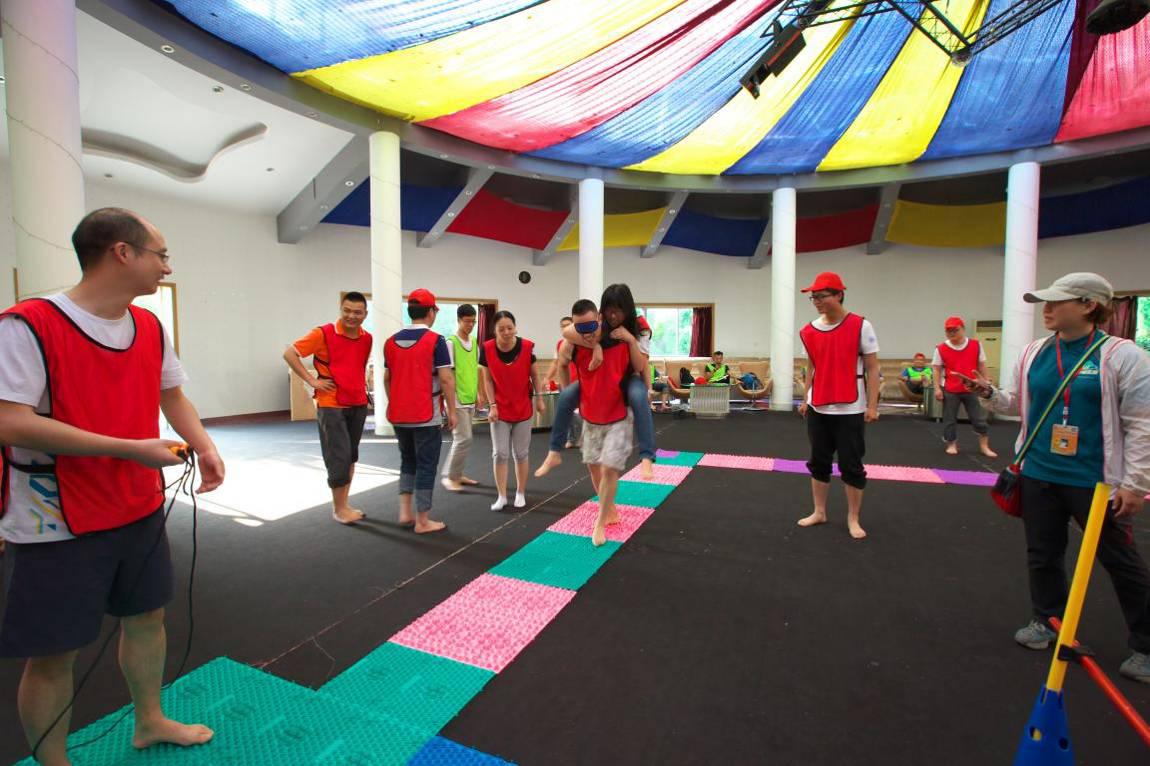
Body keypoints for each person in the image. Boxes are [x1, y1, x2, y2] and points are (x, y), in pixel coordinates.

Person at [0, 208, 226, 764]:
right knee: (54, 652)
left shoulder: (148, 326)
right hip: (56, 518)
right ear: (122, 253)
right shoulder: (27, 325)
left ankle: (149, 720)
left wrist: (203, 444)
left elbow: (171, 395)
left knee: (147, 617)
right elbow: (10, 421)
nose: (166, 266)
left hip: (136, 503)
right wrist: (128, 448)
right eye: (161, 254)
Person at [962, 272, 1150, 683]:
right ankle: (1047, 620)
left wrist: (1136, 483)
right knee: (1042, 554)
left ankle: (1146, 645)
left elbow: (1142, 423)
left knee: (1119, 560)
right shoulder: (1034, 352)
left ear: (1088, 305)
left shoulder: (1123, 356)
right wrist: (989, 393)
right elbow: (1016, 403)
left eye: (1055, 302)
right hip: (1039, 473)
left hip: (1098, 482)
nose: (1045, 309)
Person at [536, 285, 656, 480]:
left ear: (627, 309)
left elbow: (641, 365)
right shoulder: (600, 323)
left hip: (629, 377)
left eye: (618, 310)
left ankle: (647, 457)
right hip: (602, 379)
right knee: (566, 396)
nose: (613, 315)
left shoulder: (640, 327)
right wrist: (596, 346)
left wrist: (630, 340)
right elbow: (568, 332)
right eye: (609, 310)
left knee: (638, 397)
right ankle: (554, 451)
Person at [796, 271, 880, 540]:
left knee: (851, 464)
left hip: (851, 408)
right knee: (818, 461)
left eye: (822, 296)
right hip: (818, 406)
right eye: (813, 298)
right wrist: (805, 399)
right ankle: (819, 511)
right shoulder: (808, 331)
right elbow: (811, 367)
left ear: (839, 294)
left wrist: (872, 406)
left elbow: (873, 367)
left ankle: (853, 517)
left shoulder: (861, 326)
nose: (817, 301)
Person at [284, 292, 373, 524]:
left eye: (357, 312)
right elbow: (289, 353)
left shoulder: (367, 338)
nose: (351, 316)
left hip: (358, 402)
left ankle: (344, 504)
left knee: (351, 455)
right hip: (331, 404)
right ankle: (339, 509)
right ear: (340, 309)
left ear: (365, 314)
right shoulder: (322, 333)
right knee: (338, 457)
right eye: (347, 310)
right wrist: (311, 380)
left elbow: (357, 366)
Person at [560, 300, 636, 546]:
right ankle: (609, 509)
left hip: (617, 413)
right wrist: (595, 347)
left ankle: (600, 520)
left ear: (600, 319)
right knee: (594, 466)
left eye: (592, 326)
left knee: (609, 468)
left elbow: (640, 363)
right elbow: (564, 348)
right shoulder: (573, 343)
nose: (587, 332)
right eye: (580, 327)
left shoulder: (618, 335)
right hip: (590, 414)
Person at [383, 288, 456, 534]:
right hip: (426, 414)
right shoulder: (437, 341)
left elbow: (387, 378)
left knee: (407, 460)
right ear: (431, 312)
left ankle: (405, 512)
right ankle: (422, 521)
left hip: (399, 414)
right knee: (426, 465)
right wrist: (452, 411)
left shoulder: (390, 342)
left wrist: (396, 401)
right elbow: (446, 379)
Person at [479, 310, 545, 510]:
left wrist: (540, 399)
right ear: (495, 330)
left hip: (523, 408)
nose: (506, 332)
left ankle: (520, 492)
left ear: (515, 328)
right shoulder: (487, 349)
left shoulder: (526, 347)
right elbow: (487, 380)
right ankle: (501, 496)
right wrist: (492, 405)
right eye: (501, 329)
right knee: (499, 453)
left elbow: (535, 376)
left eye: (510, 328)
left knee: (521, 453)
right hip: (499, 410)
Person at [931, 316, 996, 458]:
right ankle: (951, 444)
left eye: (955, 330)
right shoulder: (941, 348)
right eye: (948, 331)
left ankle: (984, 446)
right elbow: (936, 369)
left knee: (978, 417)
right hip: (951, 388)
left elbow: (982, 365)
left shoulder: (975, 345)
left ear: (963, 329)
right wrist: (937, 388)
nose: (952, 333)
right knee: (949, 419)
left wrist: (986, 382)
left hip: (972, 387)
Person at [441, 304, 485, 492]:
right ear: (458, 320)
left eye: (473, 322)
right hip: (456, 398)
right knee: (463, 438)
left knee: (465, 439)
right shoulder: (450, 343)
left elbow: (476, 370)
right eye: (467, 321)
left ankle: (457, 474)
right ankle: (450, 477)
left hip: (469, 396)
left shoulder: (474, 342)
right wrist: (450, 403)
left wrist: (479, 393)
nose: (471, 325)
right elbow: (447, 375)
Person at [541, 315, 582, 451]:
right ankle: (573, 438)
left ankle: (581, 437)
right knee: (567, 410)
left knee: (583, 411)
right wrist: (547, 378)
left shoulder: (582, 341)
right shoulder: (560, 344)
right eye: (563, 326)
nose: (565, 328)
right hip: (566, 382)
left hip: (581, 381)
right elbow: (556, 363)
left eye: (568, 325)